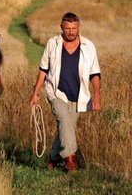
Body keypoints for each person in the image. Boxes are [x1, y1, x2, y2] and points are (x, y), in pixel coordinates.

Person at [29, 12, 101, 173]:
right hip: (56, 92)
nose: (71, 32)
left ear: (79, 27)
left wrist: (96, 95)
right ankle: (70, 161)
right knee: (64, 120)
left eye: (74, 28)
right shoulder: (52, 44)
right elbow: (43, 70)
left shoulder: (89, 46)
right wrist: (35, 94)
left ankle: (53, 160)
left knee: (66, 127)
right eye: (67, 28)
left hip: (79, 95)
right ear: (61, 27)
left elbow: (95, 74)